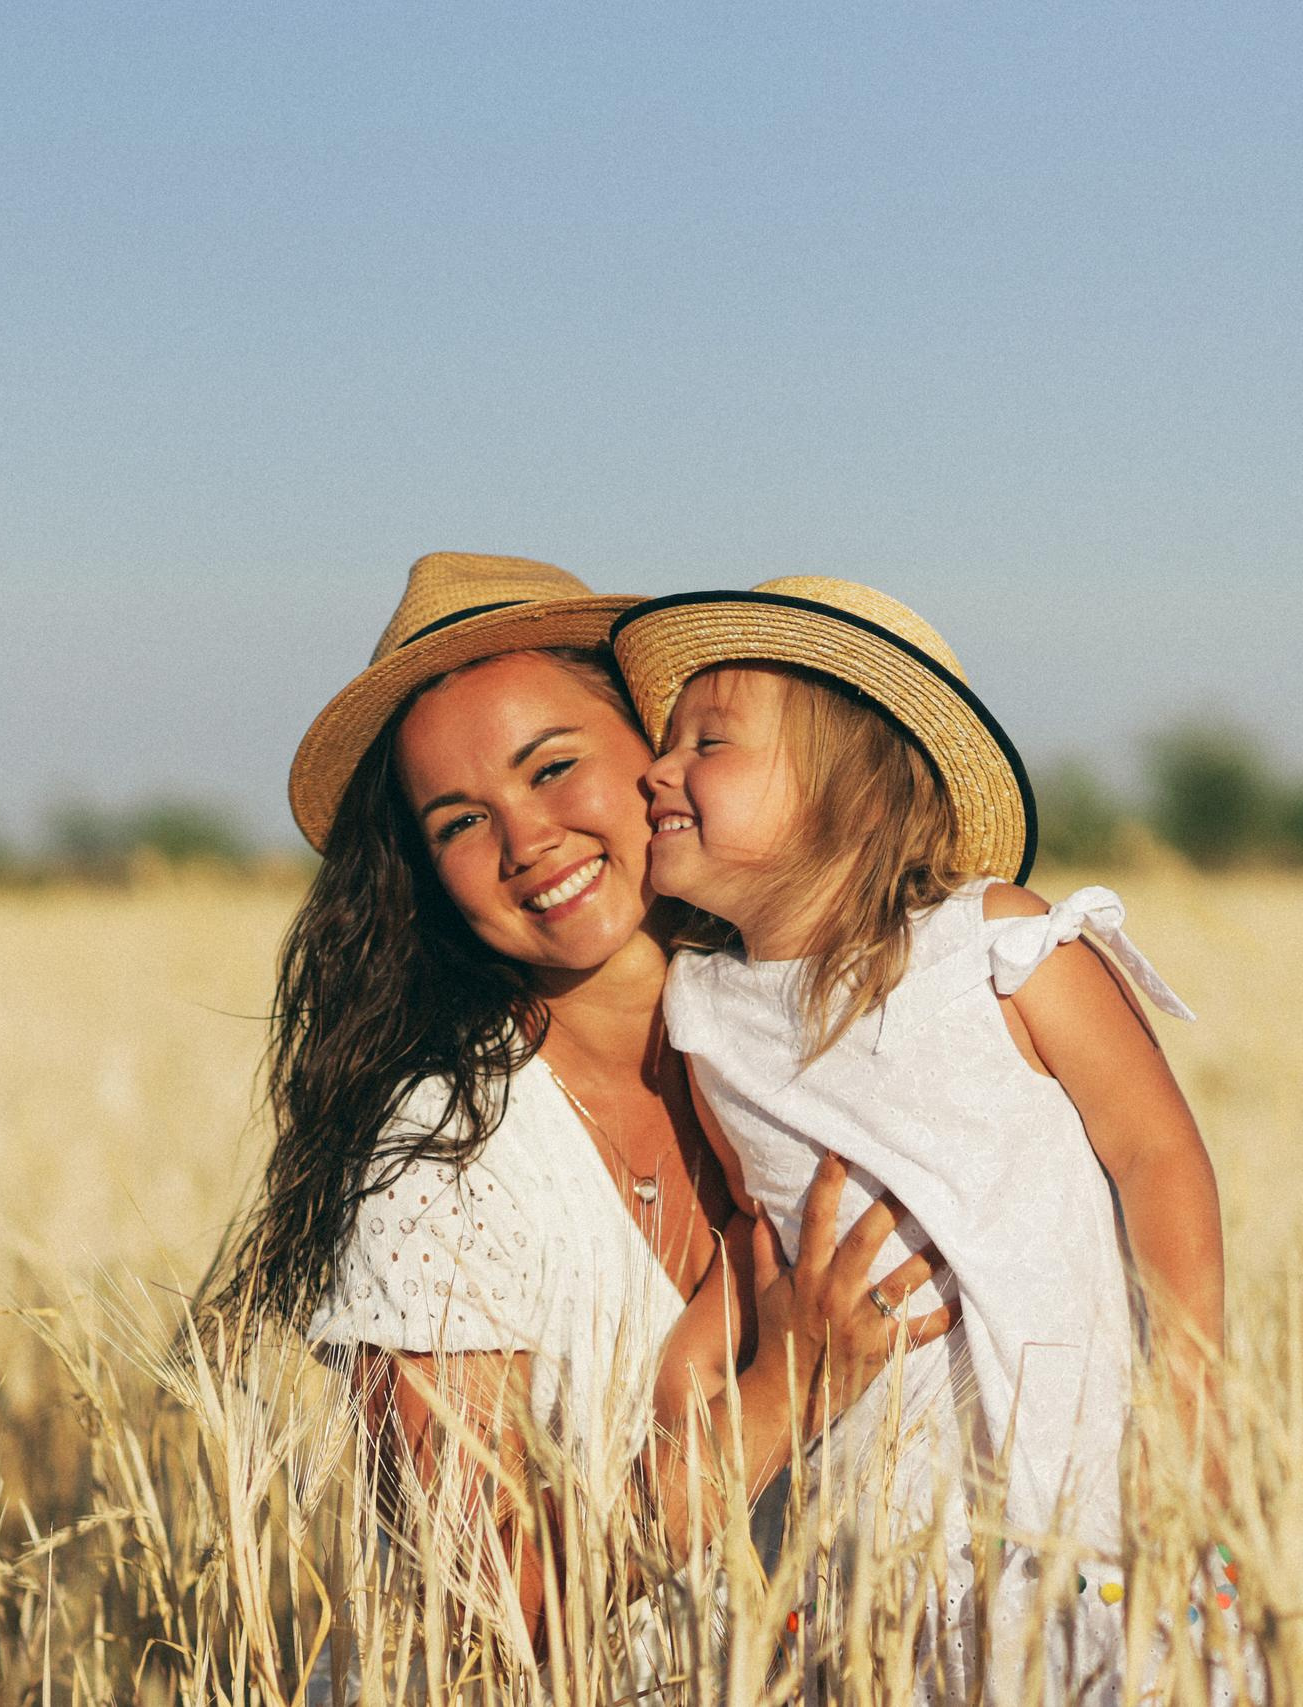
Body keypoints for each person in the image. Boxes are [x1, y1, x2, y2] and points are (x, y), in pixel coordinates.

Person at [205, 553, 953, 1679]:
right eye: (459, 822)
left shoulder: (846, 1052)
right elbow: (486, 1599)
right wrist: (786, 1388)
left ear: (665, 759)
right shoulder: (438, 1156)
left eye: (553, 767)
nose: (526, 841)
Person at [611, 576, 1239, 1702]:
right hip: (876, 1486)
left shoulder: (995, 944)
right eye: (664, 744)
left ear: (849, 797)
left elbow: (1157, 1153)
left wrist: (1188, 1399)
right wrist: (700, 1361)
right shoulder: (704, 1014)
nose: (657, 768)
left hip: (1077, 1456)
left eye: (708, 742)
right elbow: (765, 1227)